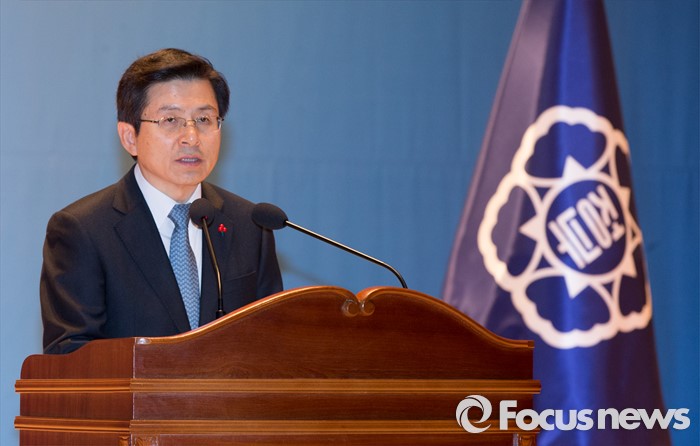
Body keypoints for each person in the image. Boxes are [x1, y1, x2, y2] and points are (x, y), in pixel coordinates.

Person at [40, 48, 283, 354]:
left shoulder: (250, 225)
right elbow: (70, 355)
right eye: (171, 120)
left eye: (204, 119)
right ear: (130, 137)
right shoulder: (83, 230)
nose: (191, 137)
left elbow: (273, 345)